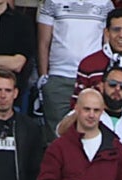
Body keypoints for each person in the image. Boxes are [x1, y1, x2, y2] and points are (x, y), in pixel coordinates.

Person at [34, 0, 112, 139]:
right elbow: (43, 43)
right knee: (56, 137)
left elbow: (108, 45)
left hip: (93, 78)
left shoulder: (105, 3)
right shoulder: (51, 2)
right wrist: (44, 78)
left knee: (91, 134)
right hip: (59, 77)